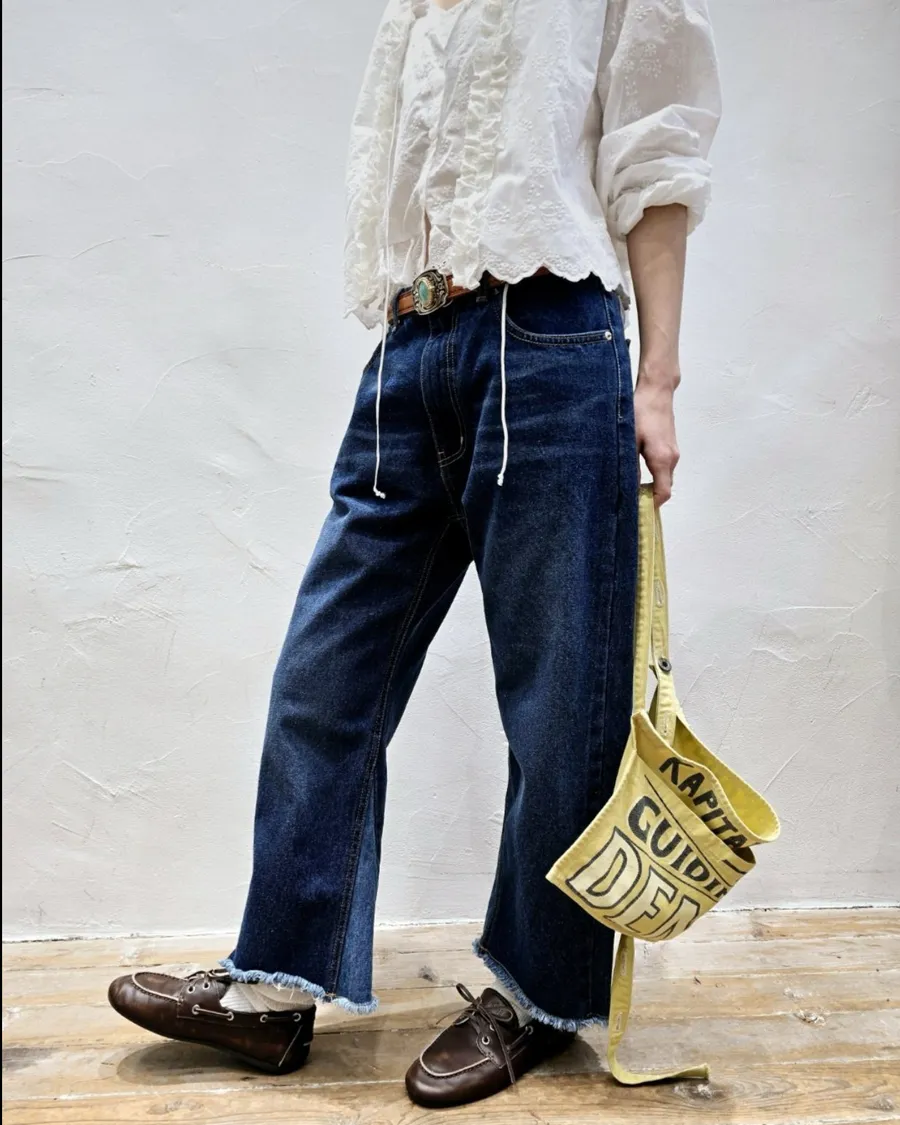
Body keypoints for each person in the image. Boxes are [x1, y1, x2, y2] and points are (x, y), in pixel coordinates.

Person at [108, 0, 721, 1107]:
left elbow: (657, 145)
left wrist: (658, 381)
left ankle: (540, 993)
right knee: (327, 678)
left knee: (559, 699)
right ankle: (277, 983)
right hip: (411, 346)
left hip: (549, 340)